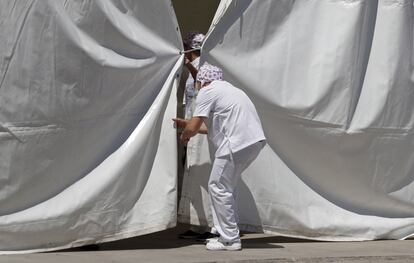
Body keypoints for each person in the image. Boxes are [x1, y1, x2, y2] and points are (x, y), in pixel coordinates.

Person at [173, 63, 266, 251]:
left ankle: (230, 239)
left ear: (202, 81)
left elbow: (193, 126)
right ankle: (226, 233)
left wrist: (185, 134)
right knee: (226, 188)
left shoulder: (208, 91)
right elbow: (209, 128)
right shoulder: (231, 90)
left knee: (217, 186)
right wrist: (187, 125)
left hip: (236, 144)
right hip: (253, 143)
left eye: (198, 82)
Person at [183, 32, 204, 119]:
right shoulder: (195, 63)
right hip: (191, 112)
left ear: (188, 48)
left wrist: (188, 64)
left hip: (196, 114)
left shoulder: (200, 62)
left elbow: (200, 79)